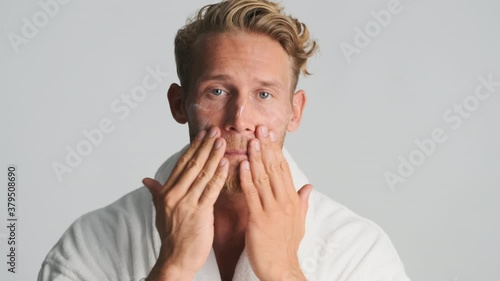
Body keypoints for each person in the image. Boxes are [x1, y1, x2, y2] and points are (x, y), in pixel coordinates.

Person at [38, 0, 411, 280]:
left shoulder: (359, 250)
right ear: (179, 104)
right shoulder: (91, 243)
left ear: (294, 112)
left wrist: (283, 271)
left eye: (264, 95)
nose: (239, 120)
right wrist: (173, 266)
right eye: (217, 91)